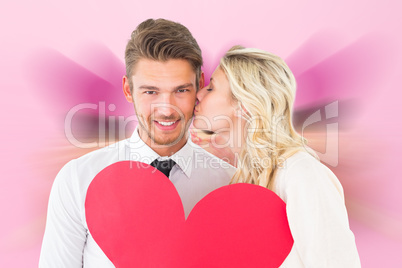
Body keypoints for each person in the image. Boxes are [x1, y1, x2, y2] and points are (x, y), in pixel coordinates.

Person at [39, 19, 235, 267]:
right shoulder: (78, 180)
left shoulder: (230, 183)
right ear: (128, 89)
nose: (166, 109)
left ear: (199, 85)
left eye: (181, 90)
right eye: (151, 92)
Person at [192, 45, 361, 267]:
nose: (199, 93)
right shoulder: (243, 178)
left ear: (244, 105)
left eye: (212, 88)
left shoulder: (302, 173)